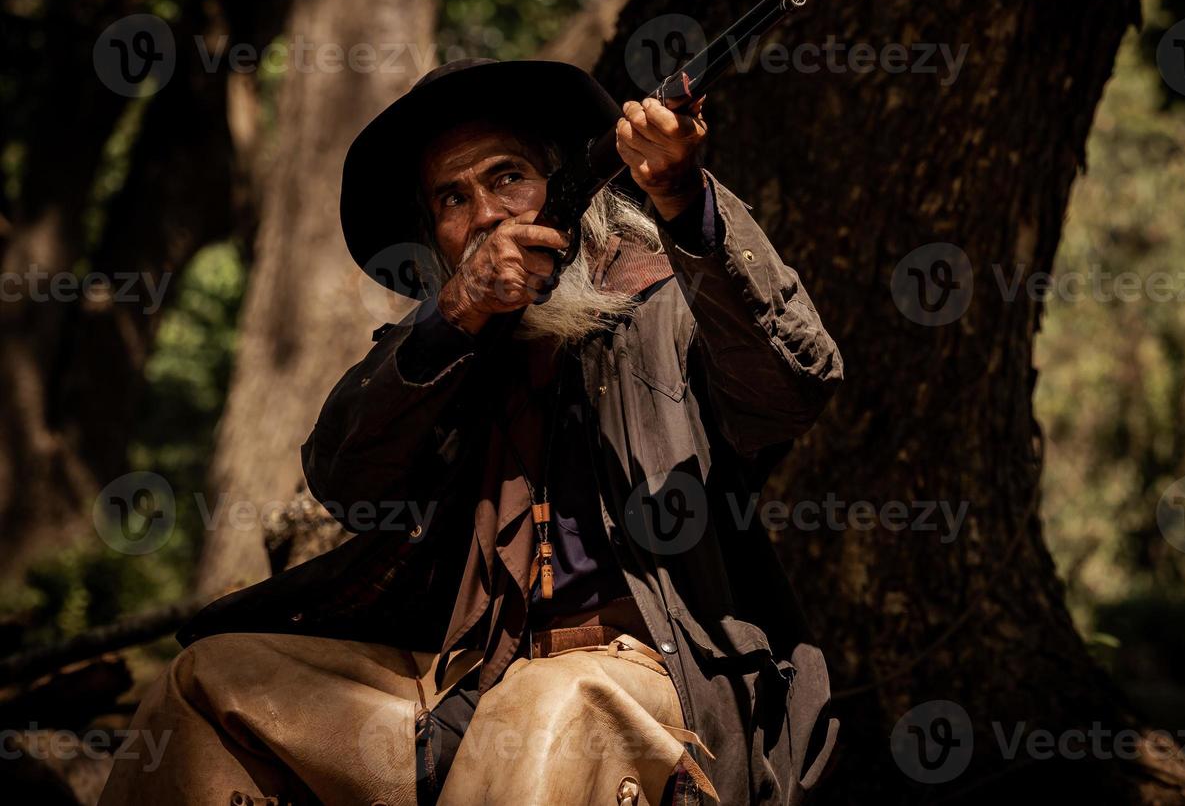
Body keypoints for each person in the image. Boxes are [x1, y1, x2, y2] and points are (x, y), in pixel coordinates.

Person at [99, 58, 844, 806]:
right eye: (453, 198)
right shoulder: (444, 346)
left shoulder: (668, 301)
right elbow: (345, 481)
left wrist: (685, 201)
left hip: (649, 679)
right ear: (437, 236)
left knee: (551, 705)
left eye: (507, 177)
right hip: (460, 684)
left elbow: (792, 387)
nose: (486, 213)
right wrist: (452, 320)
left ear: (566, 185)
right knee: (208, 685)